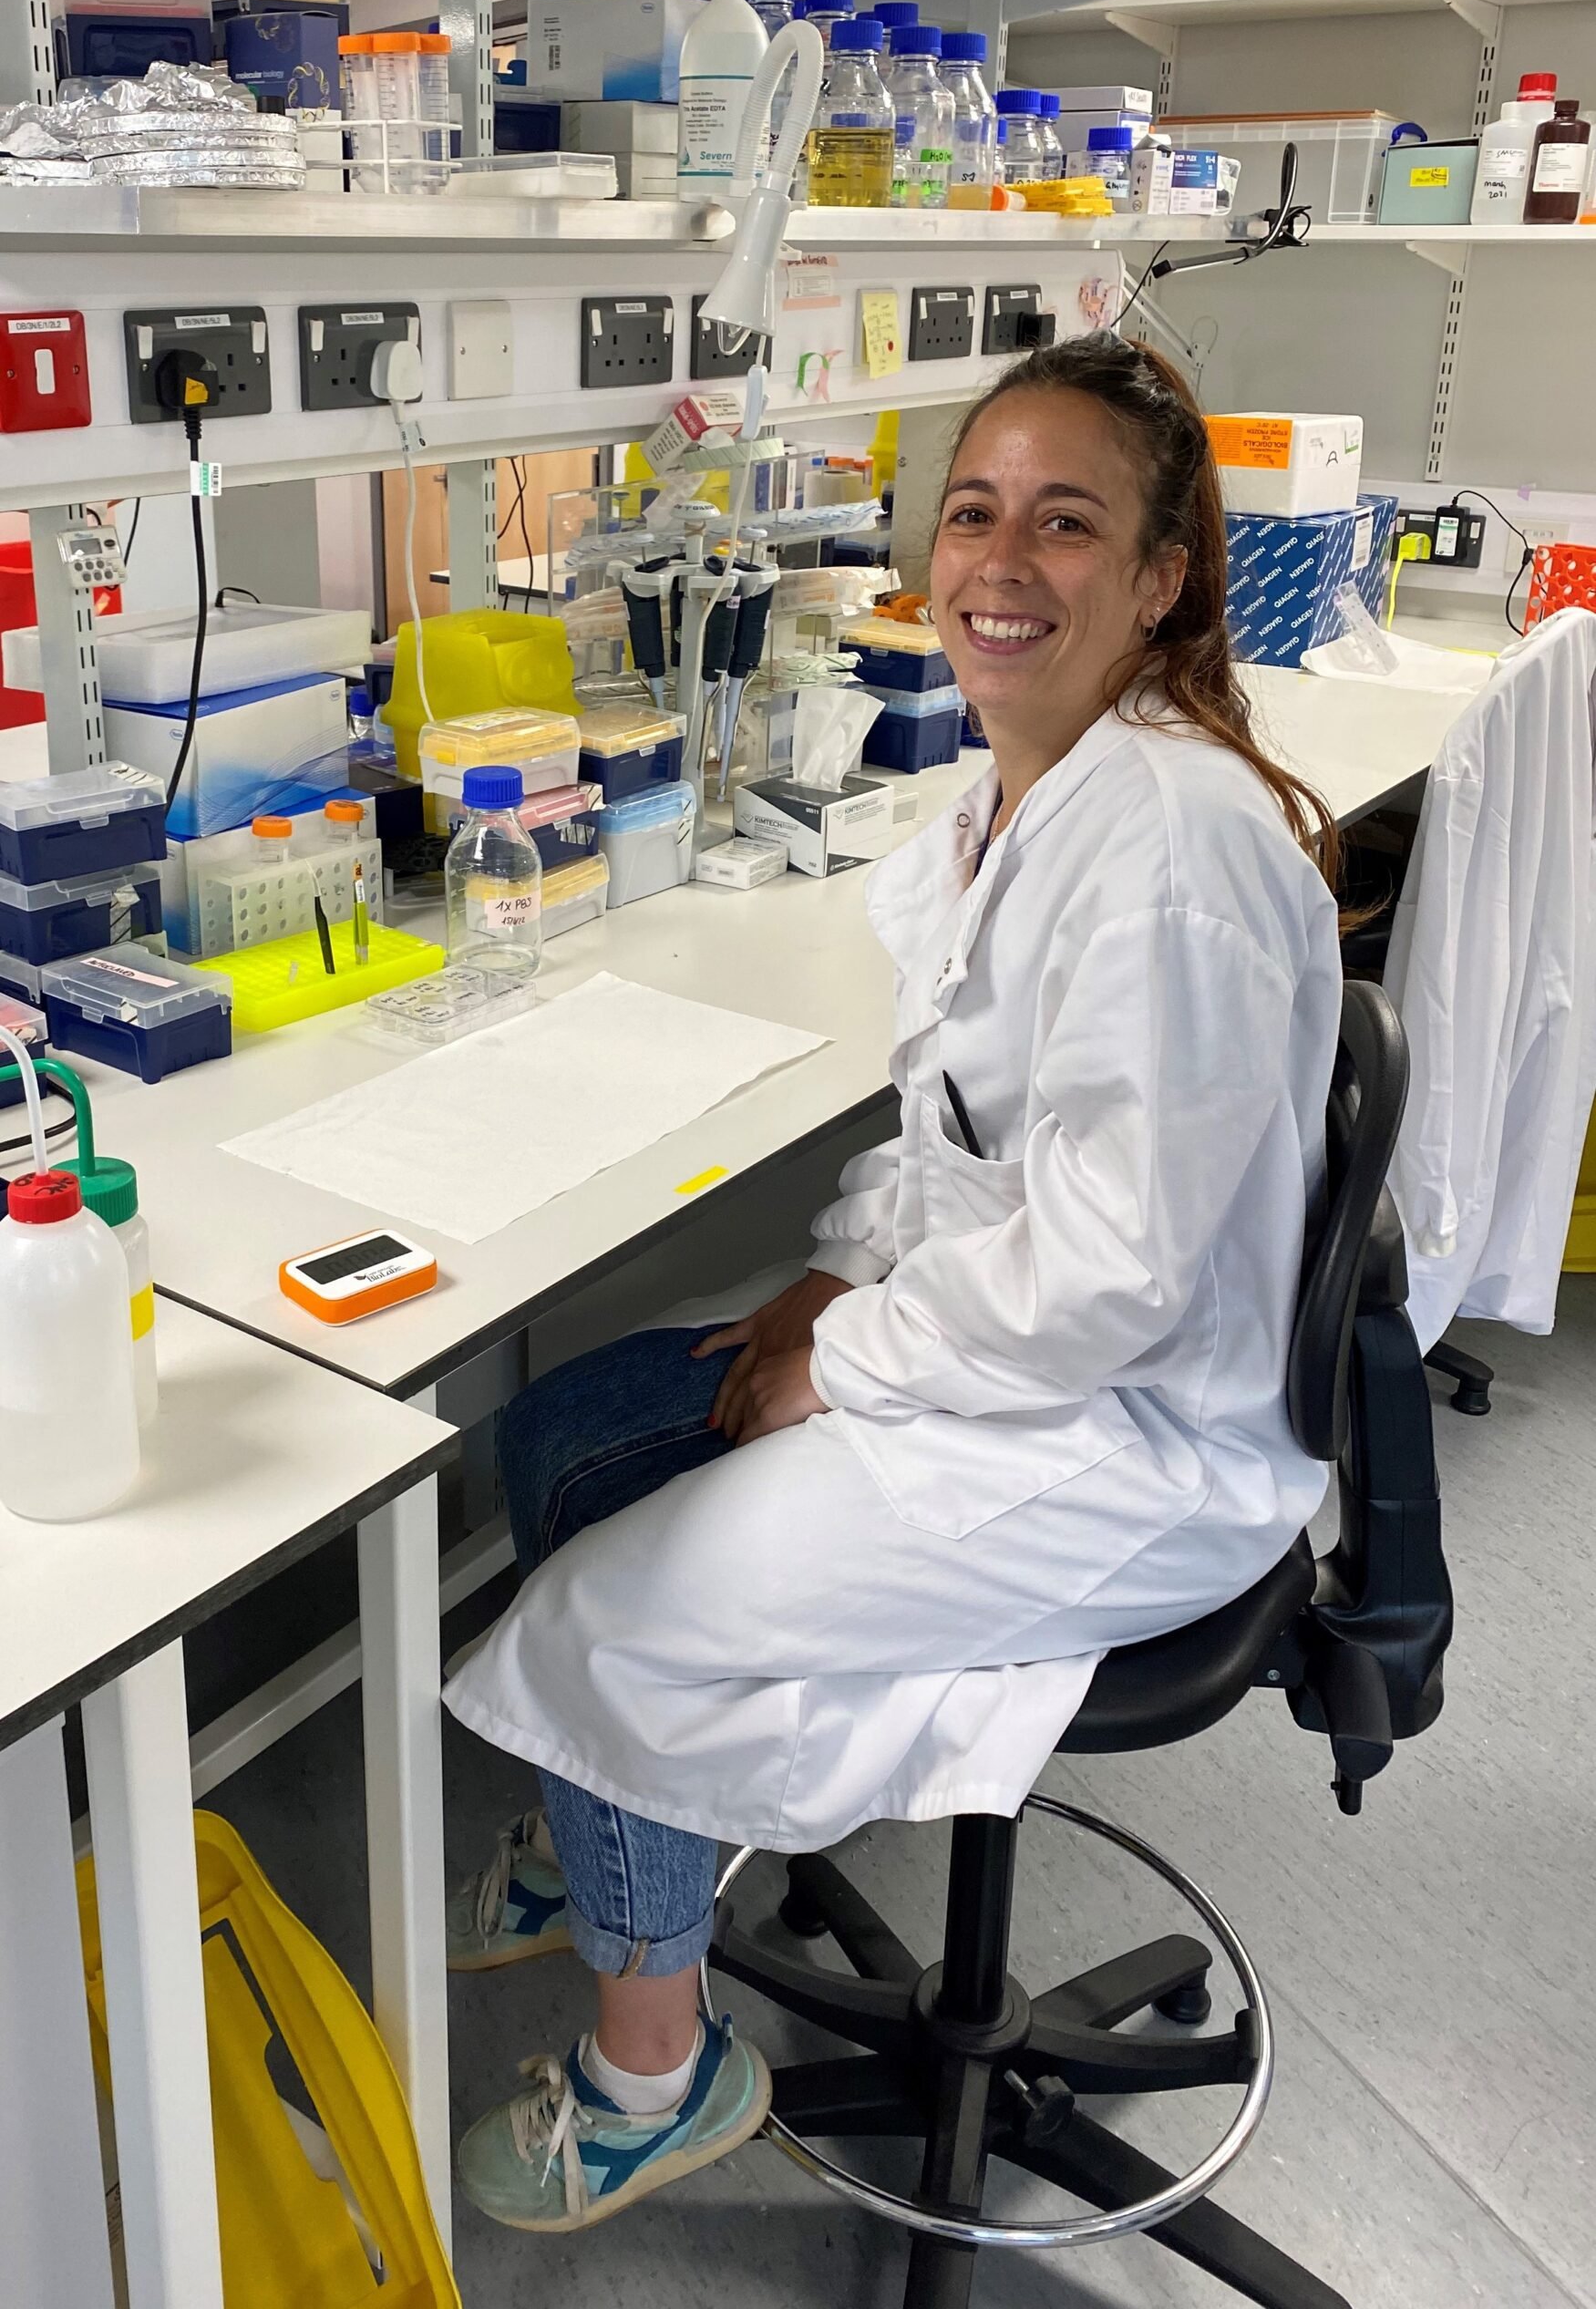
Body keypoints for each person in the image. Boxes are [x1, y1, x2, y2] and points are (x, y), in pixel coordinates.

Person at [442, 333, 1344, 2234]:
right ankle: (627, 1844)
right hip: (996, 1336)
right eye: (975, 511)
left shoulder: (1168, 841)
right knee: (565, 1428)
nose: (1001, 561)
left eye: (1068, 522)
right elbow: (945, 1134)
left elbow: (1103, 1276)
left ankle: (652, 2073)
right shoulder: (1016, 793)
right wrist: (823, 1282)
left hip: (1124, 1437)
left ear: (1164, 575)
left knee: (608, 1611)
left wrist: (844, 1357)